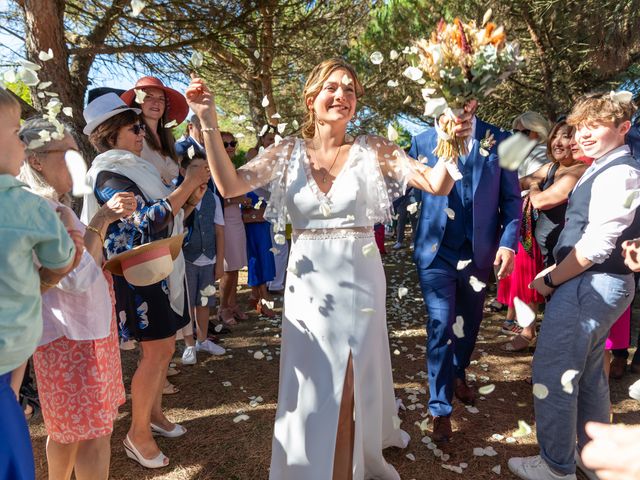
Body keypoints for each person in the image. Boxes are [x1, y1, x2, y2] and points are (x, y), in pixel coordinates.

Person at [185, 58, 457, 479]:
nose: (342, 96)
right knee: (314, 377)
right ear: (311, 99)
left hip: (360, 277)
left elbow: (436, 184)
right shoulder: (286, 152)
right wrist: (207, 121)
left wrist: (449, 143)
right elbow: (230, 185)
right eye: (332, 88)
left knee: (349, 375)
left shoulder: (373, 149)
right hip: (307, 283)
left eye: (350, 90)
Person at [509, 91, 640, 480]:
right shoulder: (606, 167)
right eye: (580, 126)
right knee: (586, 375)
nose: (583, 134)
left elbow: (597, 245)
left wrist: (550, 278)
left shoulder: (620, 173)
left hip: (591, 285)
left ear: (623, 128)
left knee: (553, 371)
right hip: (597, 285)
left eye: (594, 126)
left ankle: (555, 466)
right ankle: (589, 454)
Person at [81, 93, 210, 469]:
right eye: (133, 128)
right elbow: (145, 221)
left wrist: (189, 198)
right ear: (110, 134)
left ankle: (152, 414)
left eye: (140, 127)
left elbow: (167, 216)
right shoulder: (108, 173)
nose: (141, 134)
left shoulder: (138, 169)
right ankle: (137, 435)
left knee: (161, 350)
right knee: (158, 351)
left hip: (156, 269)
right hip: (137, 275)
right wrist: (186, 184)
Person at [18, 118, 133, 480]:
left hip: (84, 334)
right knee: (88, 435)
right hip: (71, 340)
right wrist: (102, 218)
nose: (75, 160)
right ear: (35, 160)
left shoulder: (54, 207)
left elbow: (86, 263)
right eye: (65, 152)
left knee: (75, 433)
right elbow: (79, 274)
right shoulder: (44, 211)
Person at [410, 101, 522, 442]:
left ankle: (458, 371)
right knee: (441, 324)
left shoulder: (501, 140)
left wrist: (507, 243)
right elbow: (414, 192)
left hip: (479, 252)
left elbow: (513, 200)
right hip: (436, 250)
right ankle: (440, 407)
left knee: (469, 323)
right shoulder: (423, 140)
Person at [0, 88, 82, 480]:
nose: (21, 139)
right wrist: (72, 235)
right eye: (16, 131)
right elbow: (63, 261)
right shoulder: (30, 207)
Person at [498, 112, 550, 350]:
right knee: (518, 275)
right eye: (514, 132)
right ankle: (522, 324)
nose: (516, 136)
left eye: (521, 132)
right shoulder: (522, 154)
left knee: (527, 276)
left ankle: (528, 331)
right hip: (519, 218)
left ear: (536, 132)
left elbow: (529, 186)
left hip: (531, 221)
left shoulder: (542, 154)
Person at [178, 151, 226, 365]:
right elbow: (174, 223)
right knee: (187, 302)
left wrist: (219, 261)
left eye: (205, 168)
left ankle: (203, 339)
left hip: (208, 257)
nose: (202, 172)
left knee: (204, 300)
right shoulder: (177, 195)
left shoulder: (213, 198)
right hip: (186, 257)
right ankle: (189, 343)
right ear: (183, 171)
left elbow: (219, 232)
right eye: (196, 168)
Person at [121, 76, 189, 187]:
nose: (156, 102)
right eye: (149, 97)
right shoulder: (131, 136)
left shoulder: (169, 139)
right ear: (138, 101)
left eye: (161, 99)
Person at [218, 132, 251, 324]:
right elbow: (217, 200)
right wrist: (239, 199)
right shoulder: (216, 168)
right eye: (225, 144)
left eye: (233, 143)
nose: (230, 147)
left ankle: (233, 304)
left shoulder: (230, 166)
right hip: (225, 221)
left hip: (236, 219)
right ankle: (222, 308)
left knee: (237, 266)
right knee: (228, 268)